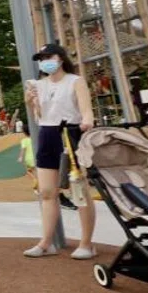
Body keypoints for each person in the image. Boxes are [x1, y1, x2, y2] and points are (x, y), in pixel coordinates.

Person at [23, 43, 97, 260]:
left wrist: (87, 121)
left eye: (49, 56)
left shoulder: (75, 81)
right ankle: (46, 243)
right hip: (47, 134)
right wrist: (30, 102)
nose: (45, 61)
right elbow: (39, 114)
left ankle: (87, 243)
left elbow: (86, 110)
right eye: (41, 58)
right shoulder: (38, 84)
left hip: (70, 133)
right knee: (47, 192)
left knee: (79, 191)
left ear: (61, 58)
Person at [17, 123, 37, 192]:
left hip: (28, 159)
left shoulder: (24, 140)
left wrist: (20, 157)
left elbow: (23, 150)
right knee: (36, 170)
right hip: (36, 158)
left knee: (28, 171)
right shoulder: (35, 139)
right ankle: (38, 183)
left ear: (24, 132)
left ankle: (35, 180)